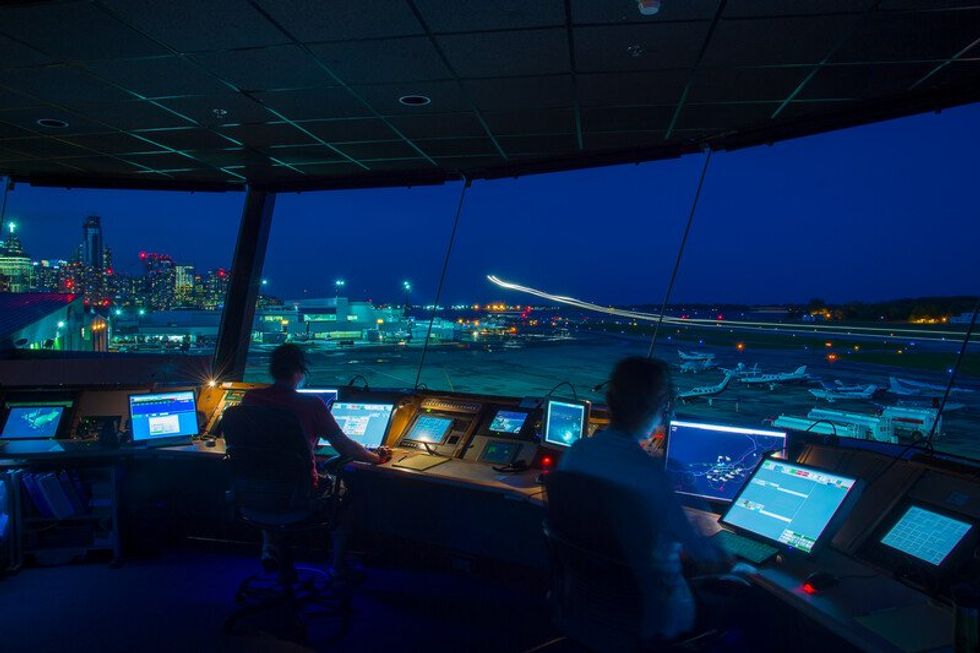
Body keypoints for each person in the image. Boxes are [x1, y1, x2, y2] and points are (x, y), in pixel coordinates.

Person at [559, 356, 754, 642]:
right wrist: (736, 564)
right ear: (658, 406)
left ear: (612, 400)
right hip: (653, 611)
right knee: (748, 601)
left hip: (586, 598)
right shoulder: (656, 474)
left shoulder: (576, 452)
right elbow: (706, 555)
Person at [241, 343, 391, 571]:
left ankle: (269, 548)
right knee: (346, 495)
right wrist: (376, 458)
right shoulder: (311, 405)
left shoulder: (250, 399)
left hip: (254, 489)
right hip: (299, 493)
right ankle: (338, 566)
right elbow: (347, 448)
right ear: (299, 372)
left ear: (272, 371)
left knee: (270, 473)